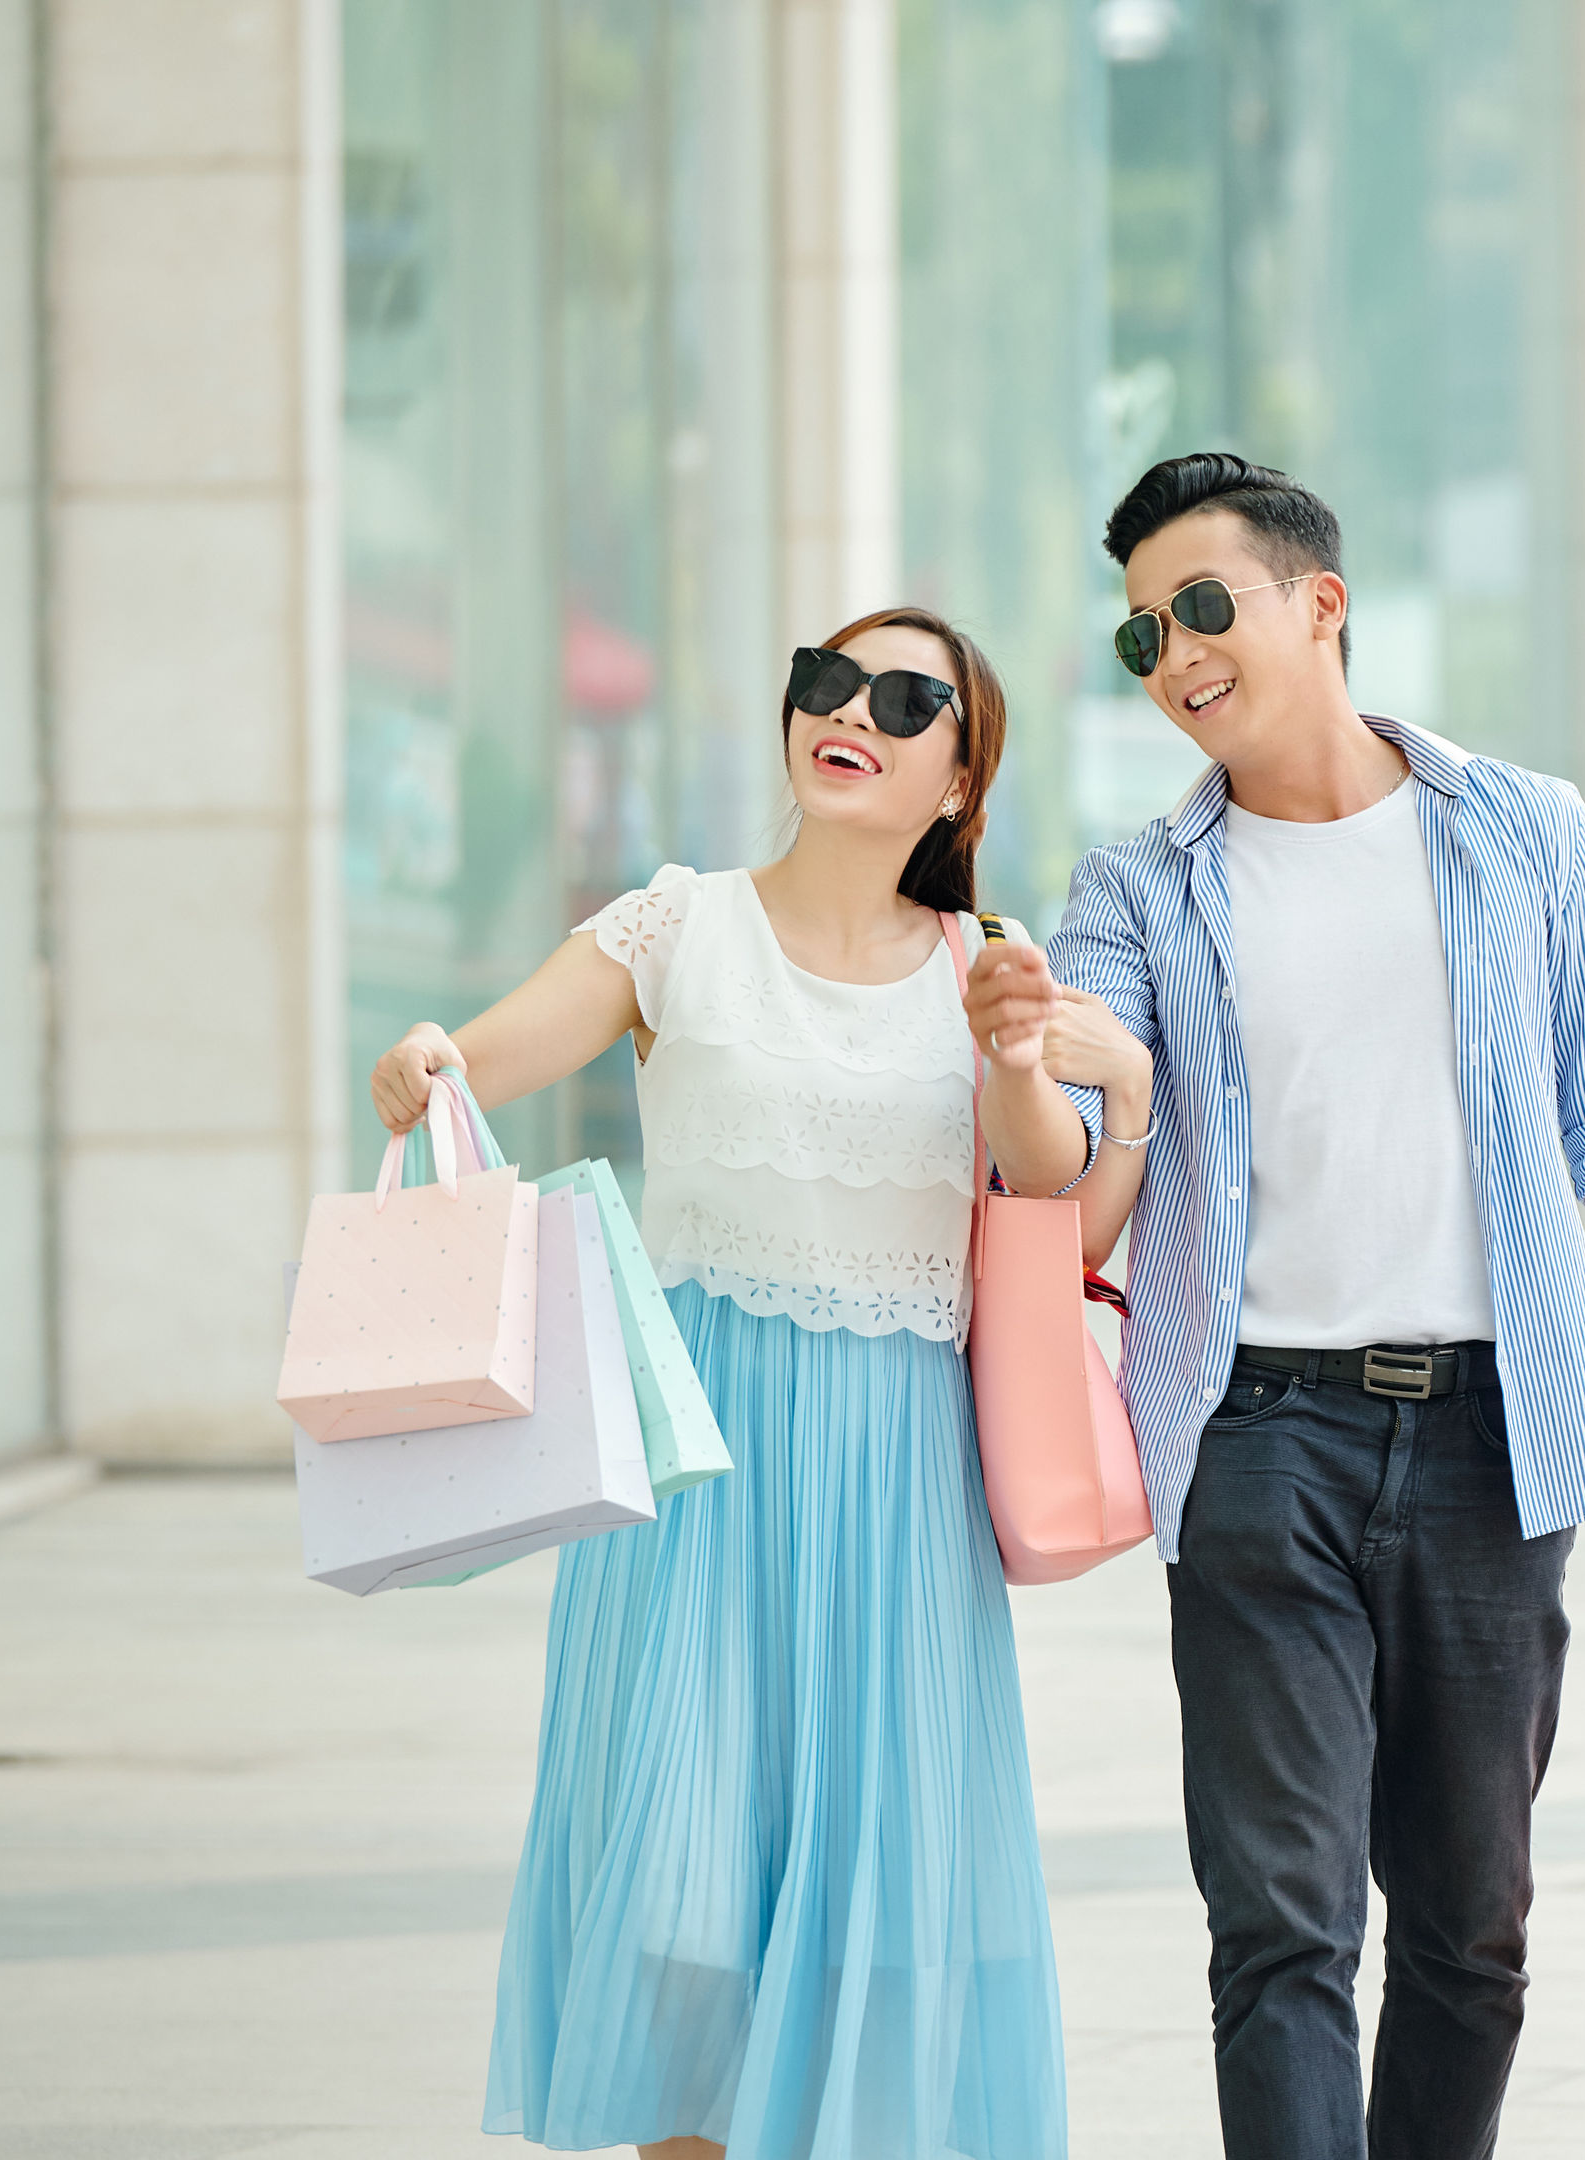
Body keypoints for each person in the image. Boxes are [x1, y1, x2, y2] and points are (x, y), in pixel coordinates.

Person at [987, 451, 1585, 2160]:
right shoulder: (1134, 893)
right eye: (1142, 635)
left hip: (1499, 1442)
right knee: (1280, 1929)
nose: (1178, 655)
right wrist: (1056, 1068)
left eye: (1205, 607)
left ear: (1318, 603)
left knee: (1472, 1935)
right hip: (1256, 1438)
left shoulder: (1525, 835)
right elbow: (1077, 1182)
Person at [374, 606, 1089, 2160]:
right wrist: (432, 1052)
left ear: (962, 779)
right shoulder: (674, 926)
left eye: (909, 700)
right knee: (683, 1910)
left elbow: (1051, 1188)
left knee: (877, 1909)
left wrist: (1022, 1061)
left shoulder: (986, 964)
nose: (855, 713)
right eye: (827, 683)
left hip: (896, 1480)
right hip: (693, 1470)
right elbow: (491, 1055)